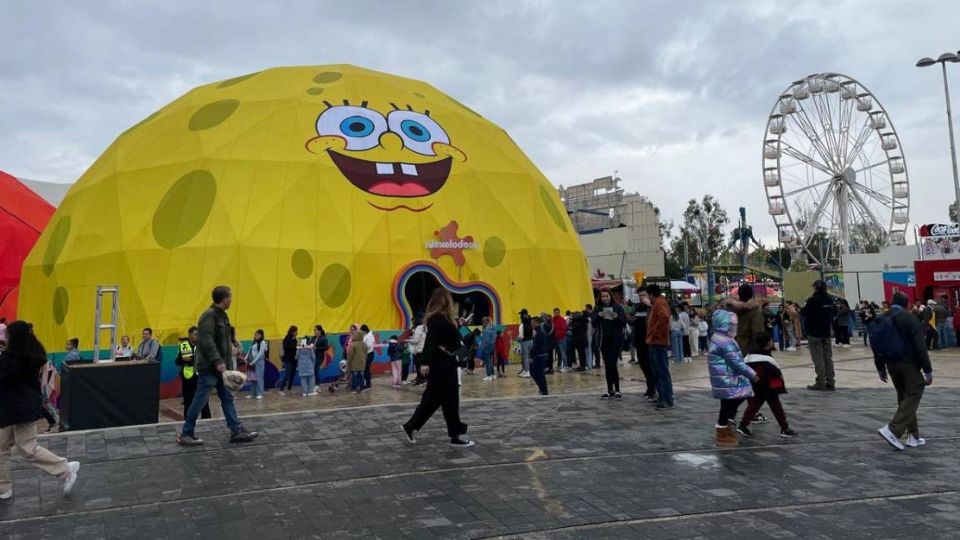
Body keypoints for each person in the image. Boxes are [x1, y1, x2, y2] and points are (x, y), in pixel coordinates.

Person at [0, 321, 80, 499]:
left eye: (8, 337)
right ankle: (3, 487)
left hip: (19, 410)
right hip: (13, 409)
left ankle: (65, 469)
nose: (5, 339)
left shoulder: (13, 358)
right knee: (1, 446)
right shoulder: (28, 354)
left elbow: (4, 378)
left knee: (27, 448)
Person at [176, 285, 257, 446]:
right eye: (230, 297)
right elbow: (206, 341)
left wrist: (227, 361)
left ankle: (236, 430)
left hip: (221, 369)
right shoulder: (209, 316)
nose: (231, 300)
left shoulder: (222, 316)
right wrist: (217, 361)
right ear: (224, 299)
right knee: (200, 399)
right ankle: (186, 433)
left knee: (227, 398)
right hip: (209, 368)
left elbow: (223, 342)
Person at [401, 288, 473, 448]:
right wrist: (425, 362)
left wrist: (458, 326)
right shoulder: (438, 319)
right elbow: (431, 341)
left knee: (436, 401)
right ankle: (454, 436)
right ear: (445, 301)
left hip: (443, 364)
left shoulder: (440, 319)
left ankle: (412, 427)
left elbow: (445, 339)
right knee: (446, 401)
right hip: (442, 366)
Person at [874, 292, 933, 451]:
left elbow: (876, 343)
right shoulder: (909, 319)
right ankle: (893, 429)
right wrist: (927, 370)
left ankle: (913, 436)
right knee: (915, 391)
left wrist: (880, 367)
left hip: (890, 364)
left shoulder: (882, 317)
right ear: (907, 304)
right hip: (908, 363)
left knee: (904, 397)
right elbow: (920, 347)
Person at [707, 310, 758, 448]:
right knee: (730, 404)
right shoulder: (725, 342)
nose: (735, 328)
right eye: (733, 325)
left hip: (726, 378)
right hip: (728, 379)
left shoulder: (719, 338)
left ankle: (726, 428)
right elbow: (736, 362)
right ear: (726, 325)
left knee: (730, 404)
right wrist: (752, 374)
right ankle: (723, 432)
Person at [737, 333, 797, 438]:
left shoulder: (750, 355)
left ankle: (743, 425)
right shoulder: (766, 358)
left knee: (756, 405)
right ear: (768, 343)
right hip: (767, 386)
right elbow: (775, 372)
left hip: (756, 385)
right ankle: (784, 428)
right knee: (775, 407)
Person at [593, 288, 626, 400]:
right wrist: (599, 315)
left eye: (607, 296)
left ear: (610, 296)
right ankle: (610, 390)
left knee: (612, 363)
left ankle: (617, 390)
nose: (605, 298)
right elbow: (593, 323)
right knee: (607, 365)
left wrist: (616, 316)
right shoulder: (598, 308)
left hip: (616, 339)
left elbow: (623, 322)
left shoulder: (618, 307)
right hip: (603, 340)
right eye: (603, 296)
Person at [802, 280, 835, 391]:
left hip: (814, 333)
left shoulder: (813, 300)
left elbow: (804, 313)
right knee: (828, 358)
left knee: (818, 358)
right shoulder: (829, 300)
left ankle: (820, 382)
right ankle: (830, 381)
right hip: (826, 332)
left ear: (816, 288)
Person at [646, 284, 673, 409]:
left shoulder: (659, 302)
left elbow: (664, 317)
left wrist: (655, 333)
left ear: (651, 294)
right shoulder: (659, 302)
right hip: (656, 342)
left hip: (658, 342)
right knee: (658, 372)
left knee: (662, 372)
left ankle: (666, 399)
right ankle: (663, 397)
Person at [176, 327, 211, 418]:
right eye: (195, 334)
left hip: (201, 376)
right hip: (187, 377)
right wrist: (184, 360)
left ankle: (206, 418)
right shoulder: (183, 346)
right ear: (190, 335)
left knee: (204, 398)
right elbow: (177, 362)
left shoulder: (202, 346)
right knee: (188, 400)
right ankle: (187, 419)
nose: (197, 336)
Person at [632, 289, 656, 400]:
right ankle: (649, 388)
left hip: (650, 341)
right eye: (640, 295)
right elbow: (635, 321)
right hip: (639, 340)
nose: (641, 297)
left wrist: (650, 305)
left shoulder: (653, 306)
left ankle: (653, 390)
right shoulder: (638, 307)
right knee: (643, 366)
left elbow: (653, 320)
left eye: (644, 295)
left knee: (651, 366)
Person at [529, 316, 550, 395]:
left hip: (540, 355)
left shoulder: (540, 332)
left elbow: (537, 346)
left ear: (536, 323)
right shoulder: (538, 331)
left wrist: (532, 356)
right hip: (541, 355)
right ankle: (543, 389)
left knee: (536, 373)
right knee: (539, 373)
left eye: (532, 323)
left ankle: (543, 389)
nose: (531, 324)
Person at [246, 329, 267, 399]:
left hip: (258, 362)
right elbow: (249, 350)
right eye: (255, 334)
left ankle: (260, 393)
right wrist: (246, 358)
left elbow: (260, 353)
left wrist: (254, 361)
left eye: (257, 335)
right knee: (253, 378)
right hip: (252, 361)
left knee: (259, 377)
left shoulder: (263, 343)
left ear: (261, 335)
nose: (256, 336)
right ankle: (253, 393)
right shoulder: (254, 342)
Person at [347, 329, 368, 393]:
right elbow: (366, 354)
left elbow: (350, 355)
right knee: (361, 376)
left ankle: (355, 388)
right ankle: (362, 388)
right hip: (362, 364)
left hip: (355, 364)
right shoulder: (364, 344)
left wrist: (349, 363)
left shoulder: (353, 344)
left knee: (355, 377)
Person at [408, 318, 427, 385]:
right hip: (423, 350)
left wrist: (409, 340)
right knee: (421, 365)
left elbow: (416, 340)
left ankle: (421, 380)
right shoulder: (424, 327)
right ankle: (422, 379)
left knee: (418, 365)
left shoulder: (418, 328)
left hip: (418, 350)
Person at [280, 326, 298, 393]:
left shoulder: (295, 339)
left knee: (292, 374)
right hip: (288, 360)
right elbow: (286, 347)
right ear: (292, 331)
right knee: (287, 374)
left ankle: (289, 388)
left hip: (294, 360)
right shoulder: (286, 339)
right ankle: (281, 389)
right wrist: (295, 346)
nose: (296, 333)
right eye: (295, 331)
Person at [551, 308, 569, 373]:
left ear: (559, 312)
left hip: (561, 339)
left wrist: (558, 336)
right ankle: (559, 365)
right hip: (556, 339)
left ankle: (565, 366)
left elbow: (564, 330)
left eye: (557, 312)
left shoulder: (562, 320)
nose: (556, 314)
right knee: (559, 353)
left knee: (563, 353)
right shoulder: (553, 319)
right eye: (555, 312)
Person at [517, 309, 533, 378]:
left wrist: (518, 339)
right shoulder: (530, 322)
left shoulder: (522, 325)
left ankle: (527, 371)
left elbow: (521, 336)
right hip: (531, 341)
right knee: (529, 357)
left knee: (525, 358)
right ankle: (528, 370)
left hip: (524, 342)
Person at [361, 324, 376, 389]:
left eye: (362, 331)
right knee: (365, 369)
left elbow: (368, 346)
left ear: (365, 330)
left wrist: (361, 346)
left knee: (366, 369)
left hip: (369, 354)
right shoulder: (364, 335)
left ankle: (368, 383)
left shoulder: (370, 336)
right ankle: (367, 383)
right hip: (364, 354)